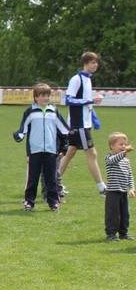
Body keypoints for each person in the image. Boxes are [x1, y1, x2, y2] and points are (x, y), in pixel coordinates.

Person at [13, 83, 70, 212]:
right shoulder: (30, 112)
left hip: (51, 150)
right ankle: (29, 202)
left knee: (51, 179)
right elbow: (24, 127)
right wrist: (19, 135)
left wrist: (65, 146)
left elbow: (63, 129)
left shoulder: (53, 111)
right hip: (34, 150)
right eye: (43, 95)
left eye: (48, 95)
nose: (46, 98)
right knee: (32, 178)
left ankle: (53, 202)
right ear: (36, 97)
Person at [58, 51, 106, 195]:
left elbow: (87, 104)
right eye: (93, 62)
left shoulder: (88, 80)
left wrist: (94, 120)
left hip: (84, 123)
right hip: (78, 124)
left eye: (96, 62)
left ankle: (53, 183)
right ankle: (102, 188)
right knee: (92, 153)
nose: (95, 65)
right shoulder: (76, 79)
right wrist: (91, 100)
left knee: (70, 152)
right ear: (85, 63)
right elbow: (69, 100)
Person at [103, 132, 135, 241]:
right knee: (112, 214)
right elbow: (113, 160)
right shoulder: (109, 157)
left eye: (125, 144)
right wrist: (125, 152)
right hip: (113, 192)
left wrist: (132, 188)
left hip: (123, 191)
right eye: (120, 144)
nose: (123, 146)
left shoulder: (126, 161)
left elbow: (129, 175)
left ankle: (124, 233)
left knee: (125, 214)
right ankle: (111, 234)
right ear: (111, 146)